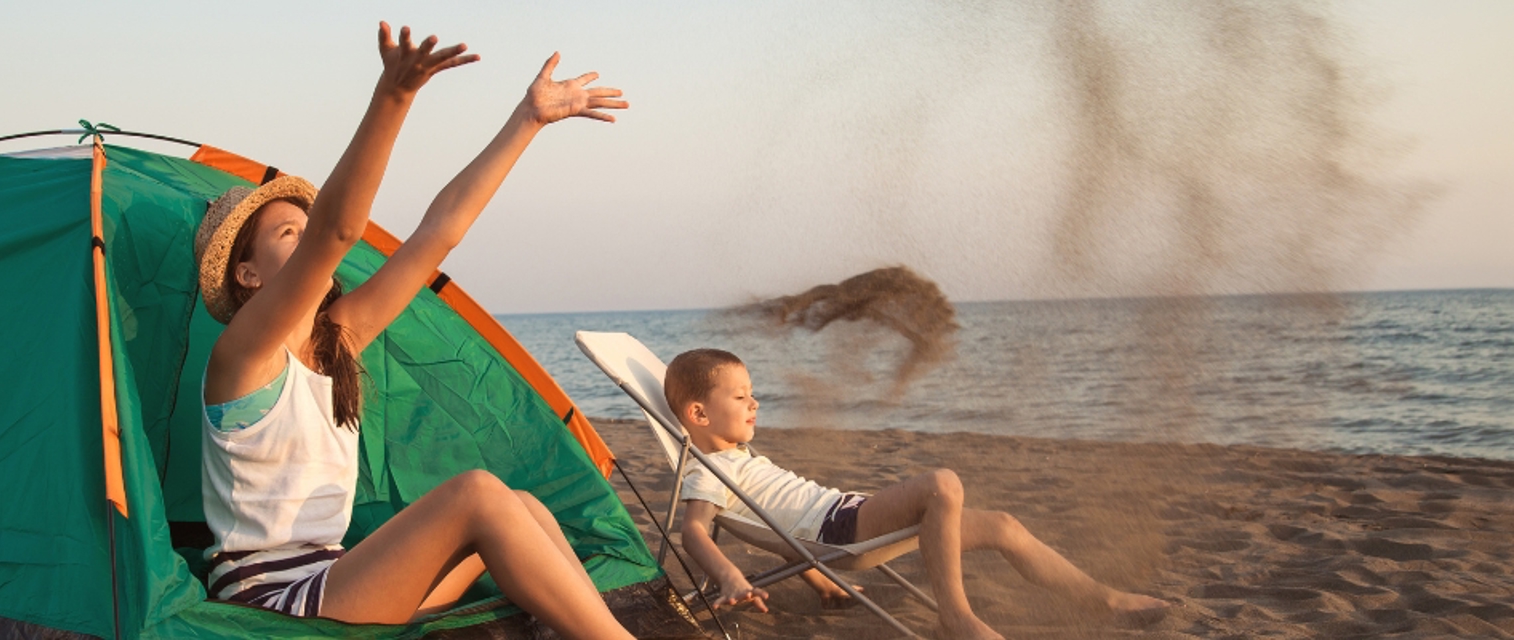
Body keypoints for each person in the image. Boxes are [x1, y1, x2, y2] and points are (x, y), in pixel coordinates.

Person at [193, 22, 633, 638]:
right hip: (275, 608)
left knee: (523, 509)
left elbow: (439, 232)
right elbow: (337, 233)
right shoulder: (243, 355)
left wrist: (527, 121)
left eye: (304, 226)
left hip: (337, 580)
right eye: (289, 233)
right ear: (247, 274)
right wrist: (393, 96)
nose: (309, 237)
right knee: (476, 494)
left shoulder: (334, 342)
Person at [664, 348, 1170, 640]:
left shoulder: (739, 460)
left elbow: (777, 523)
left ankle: (1104, 599)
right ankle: (956, 615)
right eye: (739, 396)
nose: (754, 402)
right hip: (843, 530)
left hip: (846, 521)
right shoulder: (708, 471)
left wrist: (820, 584)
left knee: (1003, 526)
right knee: (942, 484)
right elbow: (693, 531)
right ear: (699, 415)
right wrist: (729, 576)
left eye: (752, 393)